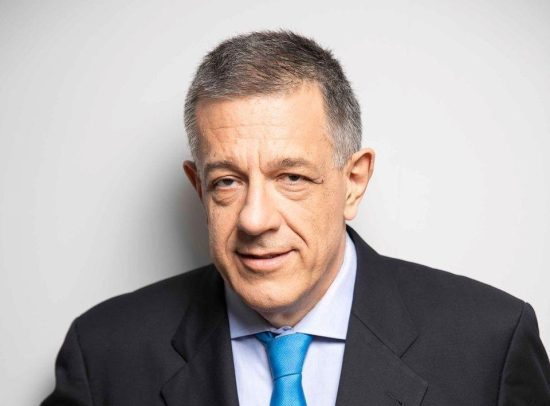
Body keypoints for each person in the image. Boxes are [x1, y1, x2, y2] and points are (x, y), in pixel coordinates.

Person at [42, 30, 550, 406]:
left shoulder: (490, 344)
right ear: (199, 188)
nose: (255, 220)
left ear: (353, 182)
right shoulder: (104, 353)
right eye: (227, 182)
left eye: (291, 177)